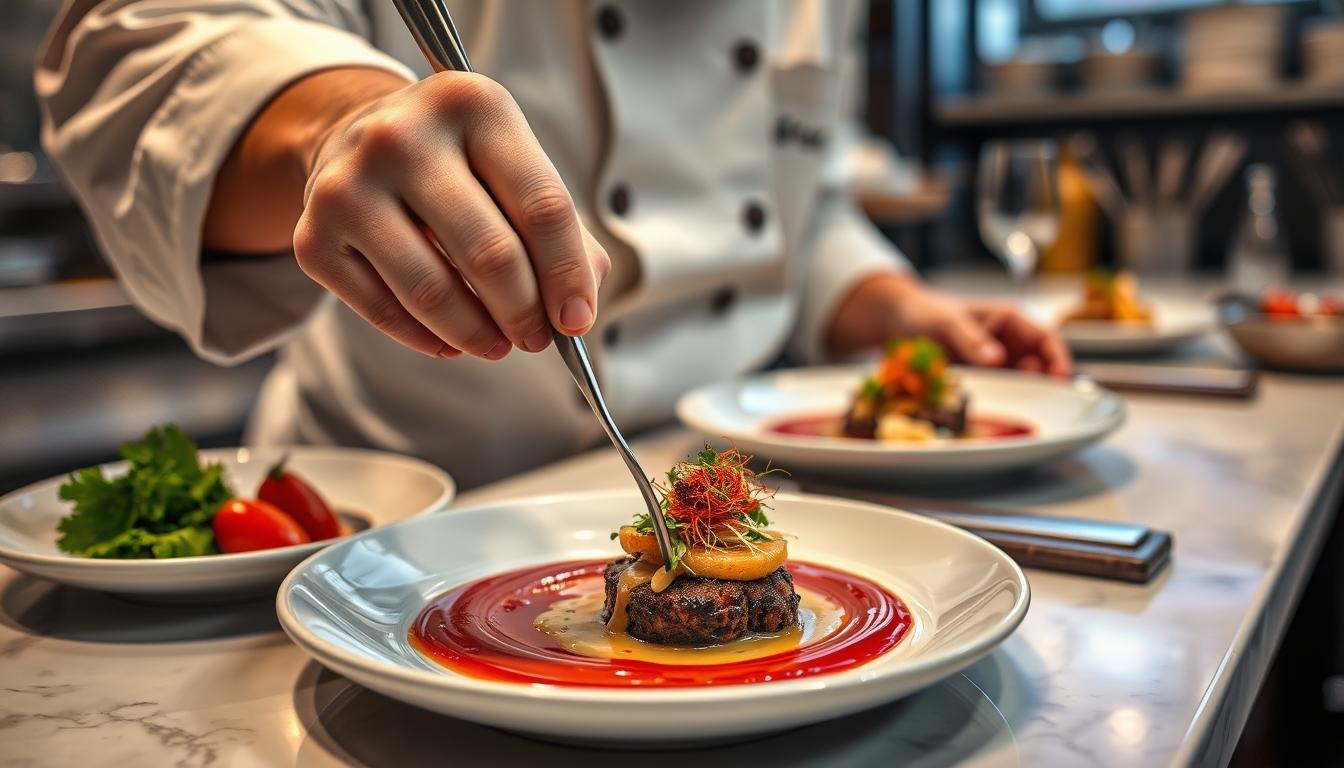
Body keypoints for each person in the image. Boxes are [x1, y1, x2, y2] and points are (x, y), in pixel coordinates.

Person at [37, 0, 1070, 488]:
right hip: (400, 509)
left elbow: (798, 187)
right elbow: (131, 43)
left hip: (740, 475)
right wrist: (328, 122)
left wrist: (883, 300)